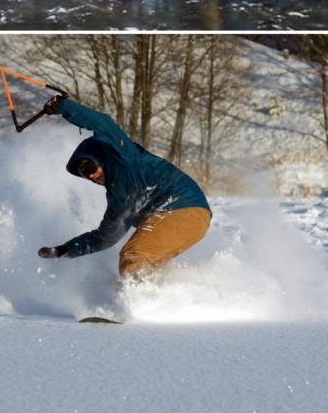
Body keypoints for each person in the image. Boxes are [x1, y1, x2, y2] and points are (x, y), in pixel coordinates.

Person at [37, 96, 212, 281]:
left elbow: (102, 123)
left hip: (181, 207)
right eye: (83, 174)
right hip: (184, 219)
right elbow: (104, 238)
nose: (90, 176)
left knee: (134, 255)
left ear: (101, 159)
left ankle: (141, 305)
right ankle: (183, 298)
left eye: (89, 167)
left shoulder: (124, 156)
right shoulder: (117, 199)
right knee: (149, 269)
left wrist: (64, 106)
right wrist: (66, 249)